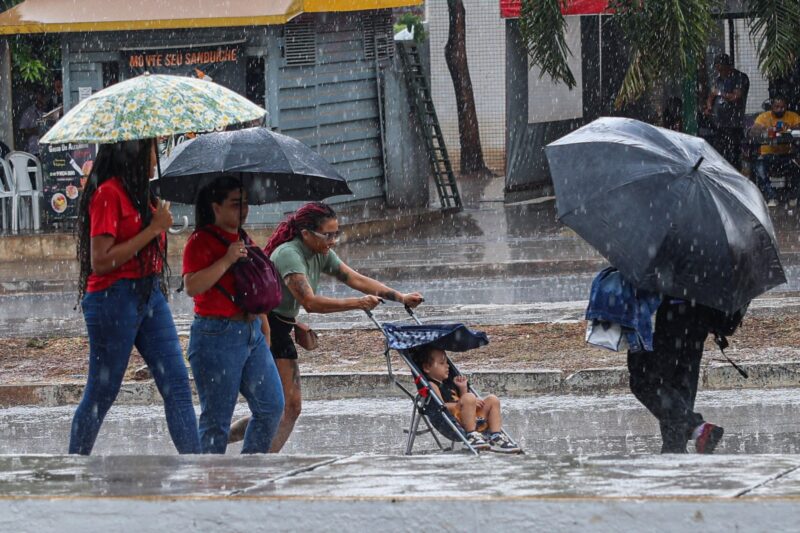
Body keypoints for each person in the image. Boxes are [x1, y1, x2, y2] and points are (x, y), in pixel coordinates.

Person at [229, 202, 424, 451]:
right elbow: (310, 302)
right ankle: (251, 454)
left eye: (336, 234)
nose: (333, 240)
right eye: (328, 235)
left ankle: (250, 450)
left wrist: (400, 297)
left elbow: (354, 277)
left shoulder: (321, 252)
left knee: (287, 407)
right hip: (264, 329)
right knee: (280, 407)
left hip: (281, 328)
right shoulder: (289, 253)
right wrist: (359, 303)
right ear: (306, 234)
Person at [70, 139, 200, 455]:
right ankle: (74, 466)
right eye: (153, 150)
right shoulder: (108, 194)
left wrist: (156, 223)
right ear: (136, 153)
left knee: (178, 386)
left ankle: (199, 471)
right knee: (102, 391)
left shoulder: (141, 193)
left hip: (148, 294)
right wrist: (153, 229)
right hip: (112, 299)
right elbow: (101, 260)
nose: (157, 158)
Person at [182, 176, 284, 454]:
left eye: (246, 203)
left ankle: (251, 472)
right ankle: (211, 487)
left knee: (272, 407)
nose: (243, 210)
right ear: (216, 207)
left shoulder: (243, 237)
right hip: (216, 336)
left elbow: (251, 291)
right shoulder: (200, 240)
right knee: (216, 422)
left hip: (251, 333)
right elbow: (192, 286)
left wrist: (263, 326)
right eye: (236, 204)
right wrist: (226, 259)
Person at [627, 299, 723, 454]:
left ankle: (697, 428)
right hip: (701, 312)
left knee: (644, 380)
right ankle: (674, 451)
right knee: (680, 383)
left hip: (676, 307)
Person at [414, 345, 520, 453]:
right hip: (456, 422)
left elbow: (465, 402)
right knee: (469, 397)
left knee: (493, 400)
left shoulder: (449, 383)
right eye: (442, 363)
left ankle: (496, 436)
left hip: (473, 418)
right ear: (427, 367)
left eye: (447, 362)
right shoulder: (432, 385)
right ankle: (471, 435)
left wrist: (463, 388)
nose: (447, 366)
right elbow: (441, 406)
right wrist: (466, 401)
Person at [749, 95, 800, 207]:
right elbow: (753, 131)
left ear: (786, 106)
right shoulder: (764, 117)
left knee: (797, 166)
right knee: (759, 168)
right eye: (776, 106)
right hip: (768, 155)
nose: (779, 109)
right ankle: (771, 196)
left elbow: (798, 127)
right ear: (772, 106)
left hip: (788, 155)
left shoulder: (792, 116)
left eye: (782, 107)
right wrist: (765, 129)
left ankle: (793, 196)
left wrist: (791, 129)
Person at [704, 53, 749, 170]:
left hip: (734, 124)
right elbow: (711, 96)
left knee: (733, 155)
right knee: (720, 154)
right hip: (719, 124)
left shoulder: (740, 78)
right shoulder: (719, 80)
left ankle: (735, 175)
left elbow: (735, 97)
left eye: (721, 69)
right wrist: (709, 107)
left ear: (727, 66)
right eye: (717, 69)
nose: (719, 72)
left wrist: (720, 93)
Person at [18, 87, 48, 156]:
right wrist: (34, 130)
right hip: (34, 152)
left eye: (42, 96)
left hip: (49, 150)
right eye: (38, 95)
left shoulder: (49, 111)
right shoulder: (28, 113)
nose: (41, 98)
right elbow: (22, 130)